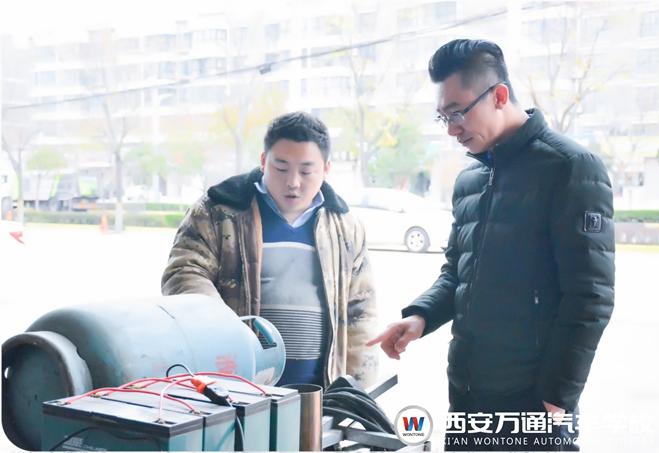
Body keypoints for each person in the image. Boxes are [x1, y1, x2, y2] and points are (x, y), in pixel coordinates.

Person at [367, 39, 615, 451]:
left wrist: (557, 397)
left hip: (532, 402)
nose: (452, 129)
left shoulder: (569, 168)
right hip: (467, 394)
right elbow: (456, 273)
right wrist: (421, 317)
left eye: (458, 113)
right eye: (443, 117)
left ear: (499, 95)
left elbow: (590, 297)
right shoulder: (470, 180)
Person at [162, 111, 378, 388]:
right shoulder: (218, 211)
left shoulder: (345, 227)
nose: (293, 182)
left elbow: (361, 311)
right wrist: (227, 331)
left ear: (326, 170)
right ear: (264, 162)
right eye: (281, 168)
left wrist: (358, 393)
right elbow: (184, 272)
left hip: (319, 393)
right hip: (235, 387)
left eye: (306, 171)